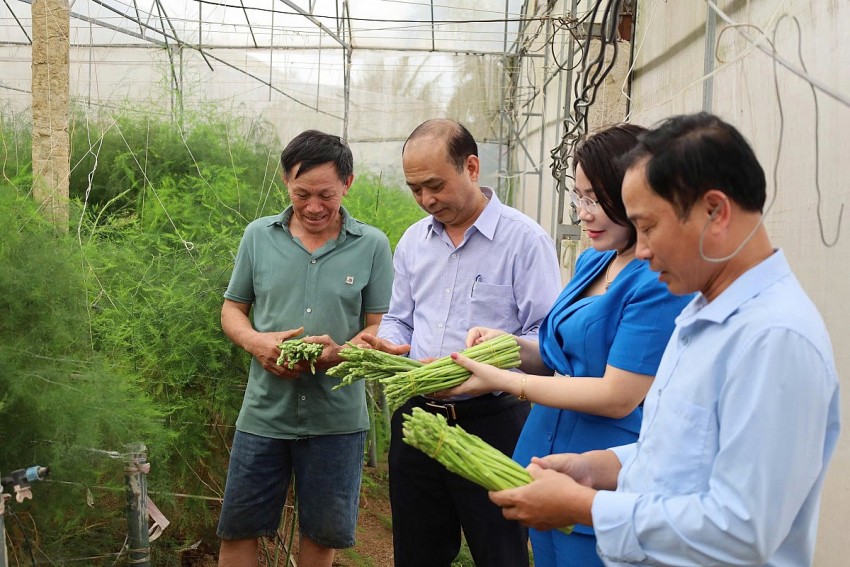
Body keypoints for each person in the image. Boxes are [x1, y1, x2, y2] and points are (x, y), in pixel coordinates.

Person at [454, 112, 841, 566]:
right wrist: (603, 467)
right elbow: (683, 452)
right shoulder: (704, 313)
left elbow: (742, 527)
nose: (641, 250)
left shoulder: (774, 339)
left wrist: (586, 507)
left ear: (714, 212)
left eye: (650, 226)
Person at [442, 123, 692, 566]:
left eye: (596, 198)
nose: (583, 212)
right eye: (579, 196)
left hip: (605, 473)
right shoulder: (593, 258)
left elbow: (618, 397)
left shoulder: (659, 279)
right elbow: (560, 357)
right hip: (547, 463)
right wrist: (511, 347)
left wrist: (505, 381)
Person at [361, 119, 563, 567]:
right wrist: (390, 343)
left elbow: (548, 343)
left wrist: (495, 357)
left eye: (435, 185)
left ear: (471, 167)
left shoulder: (524, 241)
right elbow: (399, 319)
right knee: (417, 551)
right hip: (417, 419)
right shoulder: (415, 240)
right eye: (415, 189)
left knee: (500, 551)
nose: (426, 200)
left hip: (493, 423)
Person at [216, 130, 394, 567]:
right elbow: (232, 310)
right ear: (285, 182)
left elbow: (381, 324)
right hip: (263, 415)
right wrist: (257, 342)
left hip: (337, 419)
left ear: (348, 184)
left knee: (321, 533)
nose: (314, 206)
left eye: (325, 195)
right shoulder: (258, 236)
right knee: (239, 528)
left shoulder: (372, 245)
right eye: (302, 194)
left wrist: (343, 351)